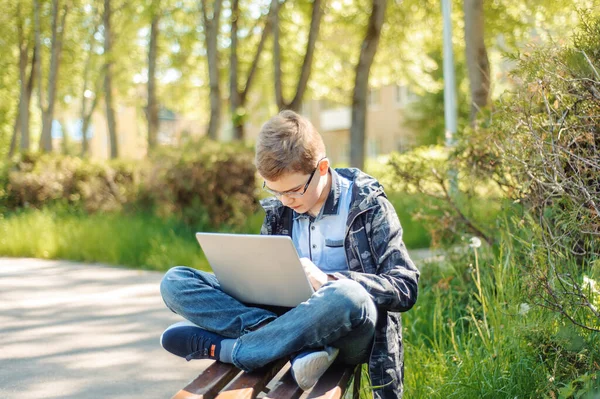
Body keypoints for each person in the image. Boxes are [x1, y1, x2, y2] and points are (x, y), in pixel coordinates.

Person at [159, 110, 419, 399]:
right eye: (275, 191)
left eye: (294, 190)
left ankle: (238, 351)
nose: (285, 201)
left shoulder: (368, 205)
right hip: (286, 319)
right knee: (175, 281)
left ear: (322, 168)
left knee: (347, 294)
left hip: (347, 332)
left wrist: (328, 279)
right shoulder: (281, 207)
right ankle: (293, 348)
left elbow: (405, 285)